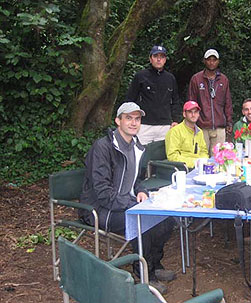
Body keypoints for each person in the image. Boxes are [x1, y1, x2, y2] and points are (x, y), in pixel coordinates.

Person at [78, 102, 175, 294]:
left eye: (137, 119)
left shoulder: (136, 146)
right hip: (99, 209)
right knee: (142, 220)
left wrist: (141, 192)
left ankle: (154, 264)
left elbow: (136, 179)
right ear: (118, 121)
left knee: (166, 218)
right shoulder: (103, 147)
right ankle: (143, 276)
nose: (133, 123)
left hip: (123, 204)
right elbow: (103, 192)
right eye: (128, 118)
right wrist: (133, 205)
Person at [125, 45, 181, 145]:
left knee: (161, 157)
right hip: (144, 125)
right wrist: (130, 120)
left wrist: (176, 120)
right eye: (156, 56)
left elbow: (175, 100)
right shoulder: (141, 76)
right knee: (141, 156)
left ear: (165, 59)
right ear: (150, 58)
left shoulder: (170, 78)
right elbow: (130, 100)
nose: (159, 59)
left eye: (162, 57)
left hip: (165, 126)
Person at [187, 49, 233, 155]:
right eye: (209, 60)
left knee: (219, 158)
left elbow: (228, 102)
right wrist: (192, 121)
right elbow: (191, 102)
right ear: (204, 61)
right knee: (200, 158)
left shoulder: (223, 80)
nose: (211, 62)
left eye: (214, 60)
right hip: (201, 126)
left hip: (219, 126)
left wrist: (229, 121)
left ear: (218, 61)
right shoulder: (196, 79)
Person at [165, 101, 209, 168]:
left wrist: (203, 160)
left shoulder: (200, 132)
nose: (193, 114)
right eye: (190, 112)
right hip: (182, 169)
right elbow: (172, 156)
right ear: (184, 114)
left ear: (198, 114)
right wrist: (194, 162)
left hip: (198, 167)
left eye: (196, 112)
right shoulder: (175, 131)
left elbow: (204, 151)